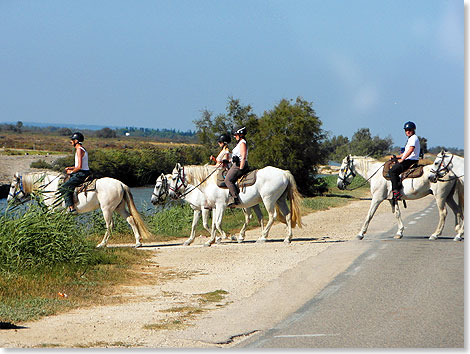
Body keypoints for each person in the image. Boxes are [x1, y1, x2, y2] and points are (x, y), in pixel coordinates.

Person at [58, 132, 91, 213]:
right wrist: (71, 167)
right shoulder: (82, 149)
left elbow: (79, 167)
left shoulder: (79, 150)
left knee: (64, 187)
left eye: (72, 140)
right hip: (83, 171)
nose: (71, 142)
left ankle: (71, 208)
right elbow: (79, 165)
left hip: (81, 174)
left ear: (76, 141)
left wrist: (71, 172)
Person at [389, 121, 420, 200]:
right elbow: (405, 153)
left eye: (409, 130)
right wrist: (396, 157)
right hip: (408, 159)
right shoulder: (410, 139)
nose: (407, 131)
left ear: (413, 130)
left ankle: (396, 192)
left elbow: (410, 150)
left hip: (410, 160)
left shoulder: (414, 138)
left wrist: (402, 160)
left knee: (392, 171)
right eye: (406, 130)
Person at [224, 126, 249, 207]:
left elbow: (243, 156)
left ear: (240, 135)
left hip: (239, 166)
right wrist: (228, 161)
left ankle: (234, 198)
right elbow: (237, 157)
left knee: (227, 179)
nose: (234, 136)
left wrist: (241, 168)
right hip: (236, 164)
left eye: (236, 135)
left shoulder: (242, 143)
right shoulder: (239, 143)